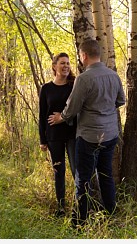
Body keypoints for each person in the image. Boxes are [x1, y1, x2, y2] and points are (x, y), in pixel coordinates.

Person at [49, 38, 125, 226]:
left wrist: (61, 117)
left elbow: (72, 108)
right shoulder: (113, 75)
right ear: (98, 54)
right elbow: (120, 101)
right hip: (110, 135)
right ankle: (110, 214)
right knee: (105, 174)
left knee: (82, 179)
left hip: (89, 136)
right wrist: (105, 108)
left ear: (84, 56)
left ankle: (79, 223)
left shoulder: (84, 78)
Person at [39, 52, 77, 215]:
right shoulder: (46, 88)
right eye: (62, 63)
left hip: (72, 133)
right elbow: (42, 115)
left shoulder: (74, 85)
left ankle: (79, 206)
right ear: (54, 66)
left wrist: (62, 117)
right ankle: (61, 207)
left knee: (77, 170)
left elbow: (78, 109)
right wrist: (43, 139)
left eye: (68, 63)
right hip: (53, 136)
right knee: (58, 171)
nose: (66, 66)